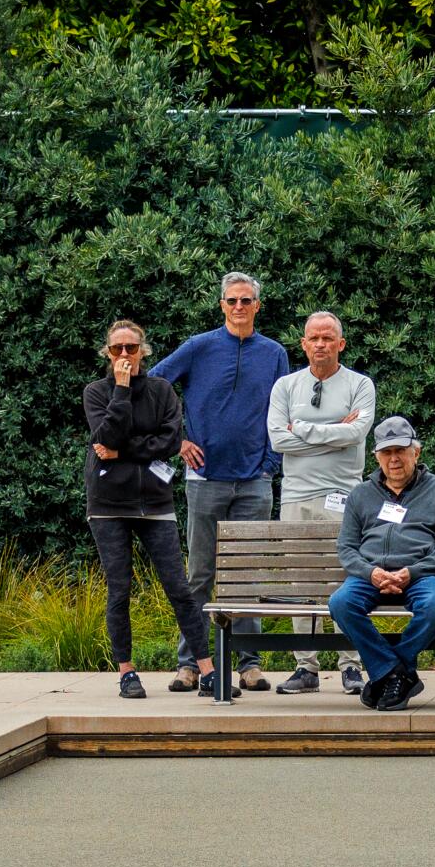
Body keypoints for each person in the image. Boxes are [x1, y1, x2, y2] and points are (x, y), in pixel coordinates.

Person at [152, 271, 290, 692]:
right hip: (204, 479)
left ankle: (249, 664)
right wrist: (176, 441)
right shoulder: (199, 346)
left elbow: (283, 408)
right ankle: (192, 663)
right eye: (232, 301)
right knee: (199, 575)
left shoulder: (274, 353)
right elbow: (153, 386)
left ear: (257, 306)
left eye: (246, 300)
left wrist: (271, 462)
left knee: (248, 575)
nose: (239, 307)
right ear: (222, 305)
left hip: (254, 481)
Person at [82, 321, 228, 698]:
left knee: (179, 588)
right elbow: (106, 437)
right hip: (109, 505)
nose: (125, 356)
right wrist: (122, 390)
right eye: (117, 349)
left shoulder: (163, 391)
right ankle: (127, 672)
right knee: (119, 589)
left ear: (144, 351)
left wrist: (124, 452)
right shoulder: (97, 393)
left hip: (155, 503)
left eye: (132, 348)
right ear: (107, 353)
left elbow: (168, 442)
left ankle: (206, 668)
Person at [266, 311, 375, 695]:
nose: (321, 344)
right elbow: (279, 441)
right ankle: (306, 668)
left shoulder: (360, 385)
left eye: (329, 338)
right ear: (304, 344)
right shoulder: (285, 386)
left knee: (346, 580)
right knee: (302, 582)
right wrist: (335, 432)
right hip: (296, 496)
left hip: (345, 497)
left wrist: (305, 429)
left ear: (341, 344)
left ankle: (350, 665)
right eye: (314, 338)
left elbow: (358, 432)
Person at [328, 417, 435, 712]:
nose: (394, 459)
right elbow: (346, 547)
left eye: (400, 450)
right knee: (340, 603)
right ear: (376, 456)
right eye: (386, 453)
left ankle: (384, 674)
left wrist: (412, 572)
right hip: (370, 574)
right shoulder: (361, 494)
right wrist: (370, 572)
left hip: (421, 573)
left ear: (417, 452)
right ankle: (396, 674)